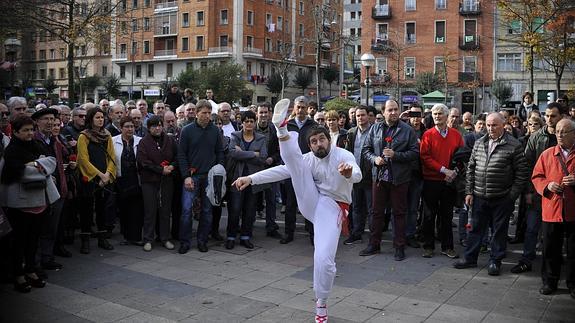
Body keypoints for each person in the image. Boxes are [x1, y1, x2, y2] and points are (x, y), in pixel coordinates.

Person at [233, 99, 361, 323]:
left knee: (324, 260)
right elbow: (281, 170)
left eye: (322, 139)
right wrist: (250, 178)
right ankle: (282, 128)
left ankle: (321, 302)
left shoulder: (343, 155)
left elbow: (358, 175)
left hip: (333, 208)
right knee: (295, 166)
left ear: (328, 140)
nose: (318, 144)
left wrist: (349, 173)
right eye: (313, 141)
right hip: (311, 201)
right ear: (309, 145)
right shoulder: (308, 159)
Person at [454, 113, 528, 275]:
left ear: (503, 125)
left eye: (494, 125)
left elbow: (522, 173)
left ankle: (495, 261)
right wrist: (469, 192)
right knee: (475, 229)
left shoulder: (514, 145)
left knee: (499, 231)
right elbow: (471, 169)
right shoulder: (480, 142)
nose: (490, 128)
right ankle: (470, 258)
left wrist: (511, 196)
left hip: (502, 197)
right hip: (480, 195)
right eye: (488, 125)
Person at [0, 116, 60, 293]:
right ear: (16, 132)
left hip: (39, 202)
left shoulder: (37, 145)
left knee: (33, 240)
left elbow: (52, 162)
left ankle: (31, 270)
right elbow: (19, 172)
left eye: (31, 130)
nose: (29, 133)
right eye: (25, 130)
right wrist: (39, 166)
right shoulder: (11, 150)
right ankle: (18, 274)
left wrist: (35, 164)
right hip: (20, 204)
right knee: (19, 241)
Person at [360, 100, 419, 260]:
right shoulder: (375, 128)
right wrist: (375, 159)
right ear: (384, 112)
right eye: (390, 110)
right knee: (376, 212)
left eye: (396, 109)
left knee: (399, 213)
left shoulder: (407, 130)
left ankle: (399, 246)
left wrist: (396, 155)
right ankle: (374, 244)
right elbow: (366, 150)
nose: (393, 112)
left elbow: (415, 153)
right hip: (379, 177)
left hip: (399, 178)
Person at [510, 103, 564, 274]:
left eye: (553, 116)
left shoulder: (566, 136)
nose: (549, 119)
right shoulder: (536, 137)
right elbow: (527, 166)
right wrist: (528, 191)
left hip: (561, 193)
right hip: (538, 192)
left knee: (557, 230)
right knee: (532, 228)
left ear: (561, 117)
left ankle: (556, 258)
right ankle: (526, 259)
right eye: (547, 115)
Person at [531, 118, 575, 298]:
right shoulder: (547, 154)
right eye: (557, 131)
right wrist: (547, 185)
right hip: (552, 209)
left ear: (573, 133)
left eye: (563, 132)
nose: (559, 135)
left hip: (573, 210)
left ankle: (573, 284)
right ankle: (549, 281)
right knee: (550, 248)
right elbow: (536, 177)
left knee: (573, 250)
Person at [178, 100, 224, 254]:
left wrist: (219, 170)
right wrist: (186, 176)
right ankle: (184, 242)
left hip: (210, 177)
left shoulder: (215, 131)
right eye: (204, 113)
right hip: (192, 176)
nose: (207, 116)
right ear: (196, 113)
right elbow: (181, 154)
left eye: (209, 113)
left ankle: (202, 241)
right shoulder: (187, 130)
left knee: (207, 211)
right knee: (186, 210)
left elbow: (220, 152)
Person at [420, 104, 464, 259]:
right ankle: (428, 246)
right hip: (431, 180)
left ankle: (448, 247)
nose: (437, 116)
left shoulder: (456, 135)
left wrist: (454, 172)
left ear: (446, 116)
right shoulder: (427, 134)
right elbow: (425, 157)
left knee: (447, 216)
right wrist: (444, 170)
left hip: (449, 182)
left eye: (440, 114)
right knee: (429, 215)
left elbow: (461, 156)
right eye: (434, 114)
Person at [76, 107, 116, 254]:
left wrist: (107, 175)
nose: (101, 120)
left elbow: (112, 157)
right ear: (91, 119)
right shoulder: (84, 136)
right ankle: (85, 240)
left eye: (102, 117)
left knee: (102, 210)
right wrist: (99, 175)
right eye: (97, 117)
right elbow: (83, 160)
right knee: (86, 210)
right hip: (90, 178)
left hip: (104, 179)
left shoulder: (107, 135)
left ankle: (102, 238)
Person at [225, 111, 268, 249]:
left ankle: (245, 237)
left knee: (249, 209)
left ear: (255, 123)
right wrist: (253, 154)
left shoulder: (261, 138)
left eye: (251, 121)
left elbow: (263, 157)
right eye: (246, 121)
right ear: (241, 123)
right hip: (236, 178)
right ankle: (231, 237)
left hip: (253, 179)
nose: (249, 124)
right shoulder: (235, 136)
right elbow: (232, 153)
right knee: (235, 209)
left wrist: (242, 153)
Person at [137, 115, 177, 252]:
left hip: (167, 181)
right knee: (150, 210)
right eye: (154, 126)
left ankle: (165, 237)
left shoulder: (169, 140)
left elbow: (177, 156)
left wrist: (172, 166)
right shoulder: (144, 142)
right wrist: (160, 170)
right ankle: (148, 239)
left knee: (165, 210)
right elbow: (143, 161)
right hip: (150, 181)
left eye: (160, 125)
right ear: (149, 128)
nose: (158, 128)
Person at [282, 96, 317, 244]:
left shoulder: (314, 125)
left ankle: (312, 234)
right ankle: (288, 233)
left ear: (308, 108)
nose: (301, 110)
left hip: (309, 169)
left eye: (303, 107)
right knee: (290, 203)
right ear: (294, 108)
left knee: (310, 202)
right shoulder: (287, 125)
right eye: (298, 107)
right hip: (291, 169)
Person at [344, 106, 373, 245]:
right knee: (356, 207)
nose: (360, 118)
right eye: (357, 116)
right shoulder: (351, 132)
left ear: (368, 116)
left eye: (362, 115)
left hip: (370, 176)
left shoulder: (375, 131)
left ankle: (374, 237)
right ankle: (356, 234)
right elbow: (347, 152)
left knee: (371, 208)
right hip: (354, 175)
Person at [112, 116, 143, 246]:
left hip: (136, 180)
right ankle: (126, 236)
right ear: (121, 128)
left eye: (132, 126)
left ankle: (136, 237)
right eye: (127, 127)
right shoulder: (113, 141)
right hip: (120, 180)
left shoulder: (140, 141)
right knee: (123, 209)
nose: (130, 129)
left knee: (136, 210)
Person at [255, 103, 283, 240]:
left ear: (270, 113)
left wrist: (273, 158)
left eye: (266, 112)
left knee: (271, 200)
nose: (264, 115)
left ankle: (271, 226)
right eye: (261, 113)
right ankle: (247, 225)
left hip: (271, 168)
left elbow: (280, 150)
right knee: (251, 199)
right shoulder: (250, 128)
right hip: (254, 169)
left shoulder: (274, 129)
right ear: (257, 114)